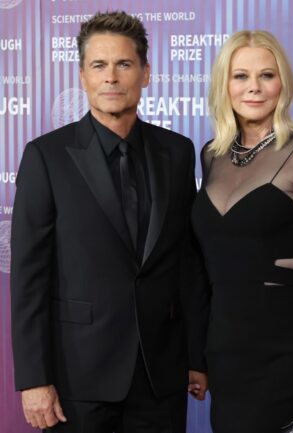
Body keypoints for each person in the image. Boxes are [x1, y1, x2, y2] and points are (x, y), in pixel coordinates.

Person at [10, 11, 208, 433]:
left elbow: (187, 264)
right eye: (99, 65)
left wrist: (195, 357)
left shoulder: (177, 152)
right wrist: (33, 379)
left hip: (161, 376)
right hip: (77, 378)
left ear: (146, 73)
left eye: (124, 64)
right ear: (83, 76)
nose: (111, 77)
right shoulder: (46, 156)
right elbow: (28, 277)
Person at [191, 30, 293, 433]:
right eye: (240, 76)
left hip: (287, 356)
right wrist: (199, 357)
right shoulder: (212, 154)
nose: (254, 88)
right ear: (224, 85)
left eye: (267, 75)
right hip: (225, 354)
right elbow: (210, 264)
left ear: (283, 84)